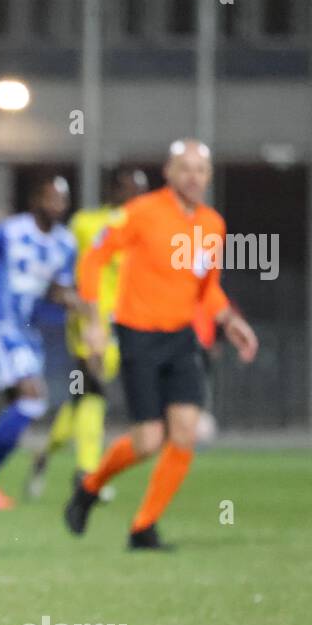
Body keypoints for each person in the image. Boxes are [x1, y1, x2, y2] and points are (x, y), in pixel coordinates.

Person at [64, 139, 258, 549]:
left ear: (208, 176)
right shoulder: (141, 213)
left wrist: (229, 320)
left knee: (184, 433)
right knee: (148, 441)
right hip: (138, 335)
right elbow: (94, 260)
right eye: (183, 167)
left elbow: (207, 289)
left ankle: (143, 528)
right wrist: (94, 322)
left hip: (181, 338)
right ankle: (89, 487)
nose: (193, 175)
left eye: (200, 169)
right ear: (167, 173)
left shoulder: (212, 225)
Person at [0, 174, 98, 509]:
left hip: (29, 334)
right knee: (32, 399)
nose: (57, 206)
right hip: (2, 327)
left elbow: (55, 289)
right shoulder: (12, 231)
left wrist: (74, 301)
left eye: (63, 201)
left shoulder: (65, 244)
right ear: (36, 200)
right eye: (51, 198)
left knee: (22, 408)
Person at [26, 167, 149, 501]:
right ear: (113, 190)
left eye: (141, 190)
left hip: (124, 323)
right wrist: (71, 300)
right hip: (89, 321)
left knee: (81, 401)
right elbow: (69, 268)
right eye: (129, 189)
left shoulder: (143, 229)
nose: (136, 197)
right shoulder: (87, 224)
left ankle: (44, 454)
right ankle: (86, 474)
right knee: (94, 391)